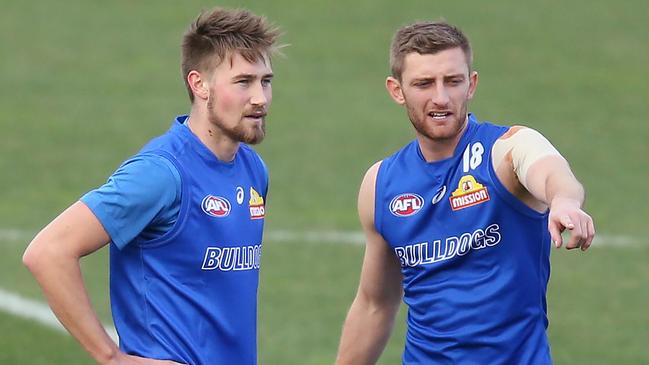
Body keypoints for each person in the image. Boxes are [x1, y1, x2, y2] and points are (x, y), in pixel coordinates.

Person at [23, 7, 280, 365]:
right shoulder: (161, 174)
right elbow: (48, 252)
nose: (260, 98)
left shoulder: (253, 169)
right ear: (199, 84)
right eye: (243, 82)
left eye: (265, 80)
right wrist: (112, 357)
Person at [335, 21, 595, 365]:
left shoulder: (504, 150)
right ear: (397, 90)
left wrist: (564, 201)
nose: (441, 98)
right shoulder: (380, 184)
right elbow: (374, 305)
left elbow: (548, 168)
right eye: (424, 84)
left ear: (471, 84)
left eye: (453, 81)